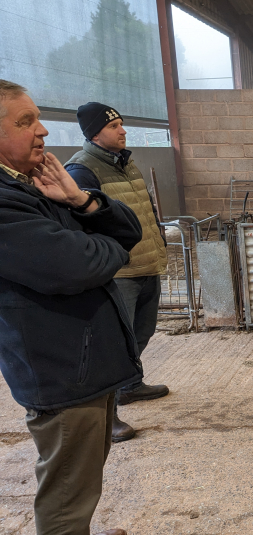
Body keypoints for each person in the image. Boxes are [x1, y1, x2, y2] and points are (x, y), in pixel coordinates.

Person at [0, 80, 141, 535]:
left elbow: (128, 231)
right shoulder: (4, 203)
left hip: (82, 364)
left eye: (37, 117)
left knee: (81, 480)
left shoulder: (32, 185)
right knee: (65, 494)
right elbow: (79, 265)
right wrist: (108, 250)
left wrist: (81, 200)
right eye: (25, 122)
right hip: (60, 369)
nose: (41, 130)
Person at [65, 102, 169, 442]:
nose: (122, 130)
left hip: (146, 263)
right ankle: (105, 416)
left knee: (142, 331)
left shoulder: (128, 164)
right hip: (118, 273)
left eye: (122, 124)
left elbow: (145, 212)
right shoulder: (82, 171)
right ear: (95, 133)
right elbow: (81, 227)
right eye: (114, 127)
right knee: (110, 345)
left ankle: (130, 385)